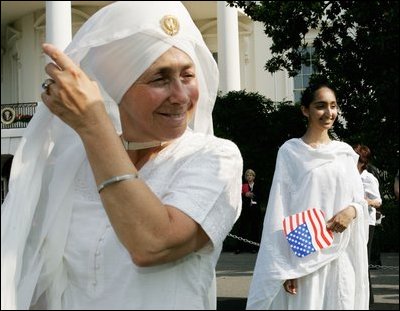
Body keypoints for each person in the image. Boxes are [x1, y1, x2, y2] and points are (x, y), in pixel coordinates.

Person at [1, 2, 243, 310]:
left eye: (188, 75)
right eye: (160, 78)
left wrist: (92, 122)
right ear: (119, 87)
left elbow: (153, 244)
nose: (181, 96)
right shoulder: (72, 167)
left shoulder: (214, 157)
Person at [246, 82, 369, 310]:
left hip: (341, 254)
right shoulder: (290, 152)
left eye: (333, 106)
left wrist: (351, 211)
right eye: (320, 106)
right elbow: (280, 209)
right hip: (305, 254)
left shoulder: (344, 153)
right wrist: (286, 265)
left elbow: (360, 200)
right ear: (305, 110)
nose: (329, 112)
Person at [353, 144, 382, 306]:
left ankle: (368, 302)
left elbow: (378, 201)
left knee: (363, 262)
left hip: (367, 223)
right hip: (353, 221)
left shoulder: (368, 178)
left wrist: (365, 202)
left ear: (362, 161)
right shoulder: (348, 175)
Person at [234, 169, 262, 254]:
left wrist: (253, 195)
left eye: (251, 175)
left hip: (255, 210)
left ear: (254, 177)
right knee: (242, 228)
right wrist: (244, 195)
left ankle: (254, 248)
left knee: (255, 229)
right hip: (246, 209)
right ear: (246, 177)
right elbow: (238, 197)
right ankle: (239, 248)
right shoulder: (243, 186)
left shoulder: (258, 185)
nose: (249, 177)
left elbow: (261, 196)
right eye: (248, 175)